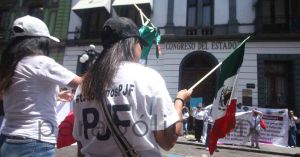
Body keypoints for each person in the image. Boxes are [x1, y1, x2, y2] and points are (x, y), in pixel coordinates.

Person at [72, 16, 192, 157]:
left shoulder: (84, 84)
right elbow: (167, 141)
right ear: (132, 44)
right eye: (140, 44)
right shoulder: (148, 77)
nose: (141, 48)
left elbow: (81, 145)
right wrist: (180, 101)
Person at [0, 15, 81, 157]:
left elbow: (23, 95)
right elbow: (81, 83)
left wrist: (58, 95)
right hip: (34, 140)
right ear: (40, 42)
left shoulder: (11, 65)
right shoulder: (40, 62)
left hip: (7, 137)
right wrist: (103, 66)